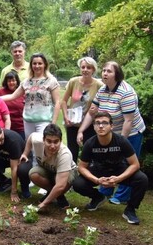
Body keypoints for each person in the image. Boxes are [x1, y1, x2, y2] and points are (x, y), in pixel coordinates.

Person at [77, 61, 146, 205]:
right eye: (103, 71)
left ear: (117, 74)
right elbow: (92, 112)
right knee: (108, 163)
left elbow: (128, 121)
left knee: (126, 164)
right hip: (110, 132)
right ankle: (105, 191)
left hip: (131, 133)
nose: (105, 73)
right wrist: (81, 130)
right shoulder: (103, 90)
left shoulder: (126, 92)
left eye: (109, 71)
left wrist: (121, 142)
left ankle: (121, 196)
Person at [72, 112, 148, 225]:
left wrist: (118, 179)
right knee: (78, 183)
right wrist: (96, 180)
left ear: (111, 126)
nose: (101, 126)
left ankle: (130, 210)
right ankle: (98, 197)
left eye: (104, 123)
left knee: (142, 179)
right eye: (97, 123)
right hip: (99, 170)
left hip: (119, 169)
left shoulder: (121, 141)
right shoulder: (90, 143)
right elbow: (82, 167)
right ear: (93, 126)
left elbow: (135, 164)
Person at [18, 124, 77, 211]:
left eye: (56, 142)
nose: (52, 146)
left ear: (61, 141)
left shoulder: (65, 154)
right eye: (49, 141)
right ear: (43, 140)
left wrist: (44, 203)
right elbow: (31, 137)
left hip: (68, 171)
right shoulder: (37, 140)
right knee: (33, 174)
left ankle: (55, 195)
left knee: (61, 186)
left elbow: (60, 185)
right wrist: (25, 154)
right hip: (49, 169)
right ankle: (58, 196)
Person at [61, 57, 103, 163]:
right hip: (72, 123)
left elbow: (102, 103)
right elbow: (64, 101)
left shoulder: (99, 85)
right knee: (72, 151)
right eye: (83, 67)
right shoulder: (73, 82)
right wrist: (65, 117)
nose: (85, 70)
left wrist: (97, 109)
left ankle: (88, 174)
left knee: (88, 151)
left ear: (93, 69)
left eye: (88, 67)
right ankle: (72, 175)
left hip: (88, 124)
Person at [21, 53, 60, 138]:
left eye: (40, 63)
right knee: (30, 145)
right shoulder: (26, 82)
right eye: (34, 63)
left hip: (44, 120)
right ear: (31, 65)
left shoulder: (51, 80)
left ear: (45, 65)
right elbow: (13, 96)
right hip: (28, 120)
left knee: (40, 143)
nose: (37, 66)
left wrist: (53, 123)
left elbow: (57, 102)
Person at [0, 71, 25, 140]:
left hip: (21, 126)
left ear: (17, 81)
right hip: (5, 125)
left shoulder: (22, 91)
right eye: (9, 81)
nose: (11, 83)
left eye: (13, 80)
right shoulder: (1, 91)